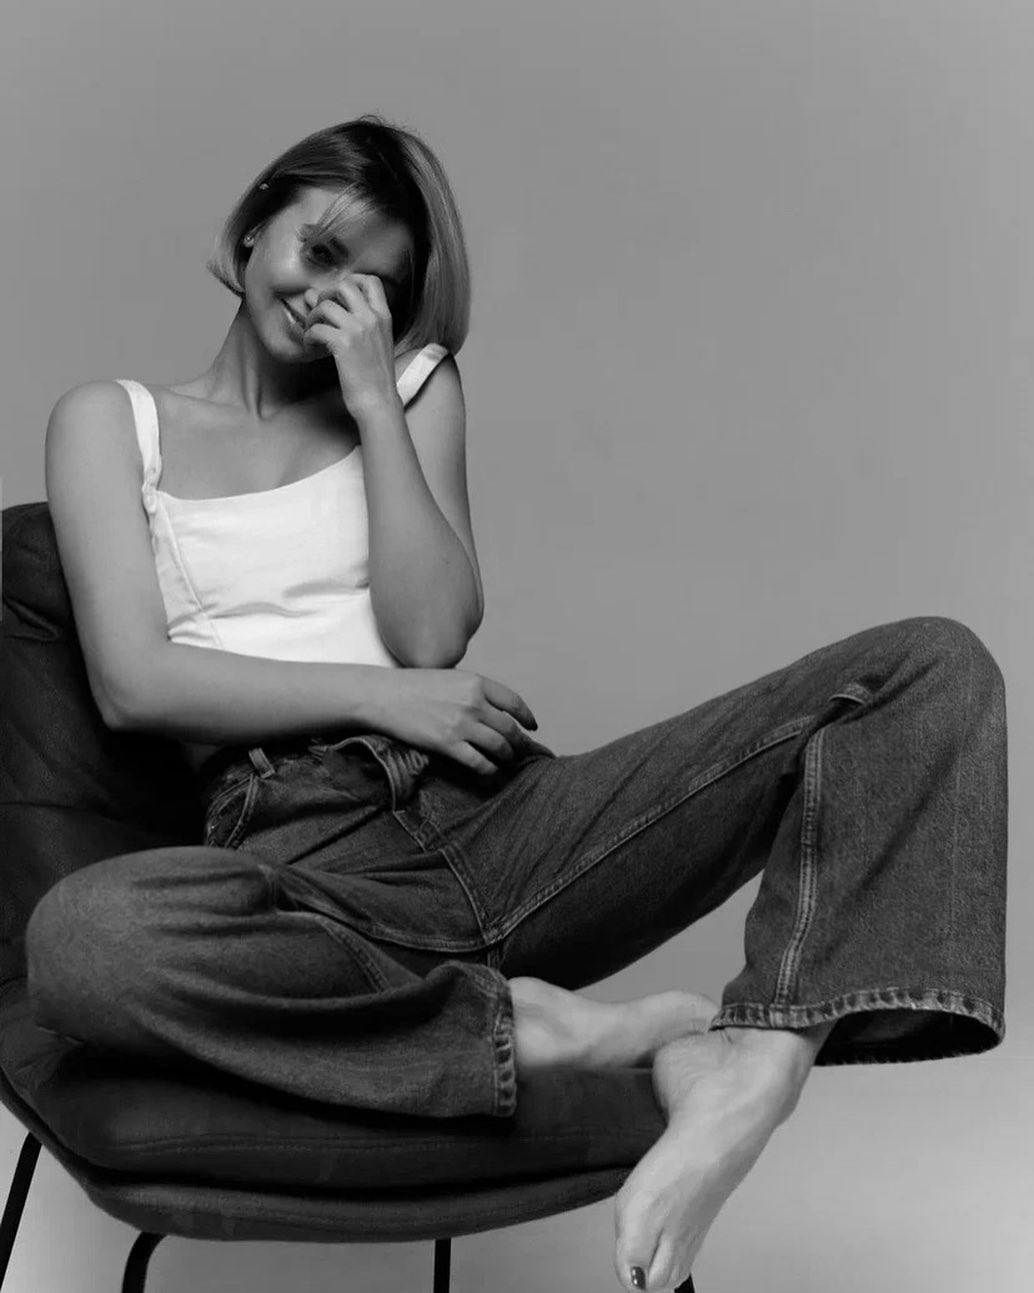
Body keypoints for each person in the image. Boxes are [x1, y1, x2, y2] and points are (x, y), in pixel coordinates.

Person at [29, 113, 1008, 1291]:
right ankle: (549, 1030)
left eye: (376, 287)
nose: (333, 297)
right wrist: (392, 703)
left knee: (923, 670)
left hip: (500, 820)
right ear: (251, 231)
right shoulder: (111, 422)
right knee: (84, 941)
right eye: (320, 252)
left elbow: (432, 633)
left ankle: (759, 1058)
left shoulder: (409, 389)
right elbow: (134, 682)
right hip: (308, 856)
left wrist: (374, 403)